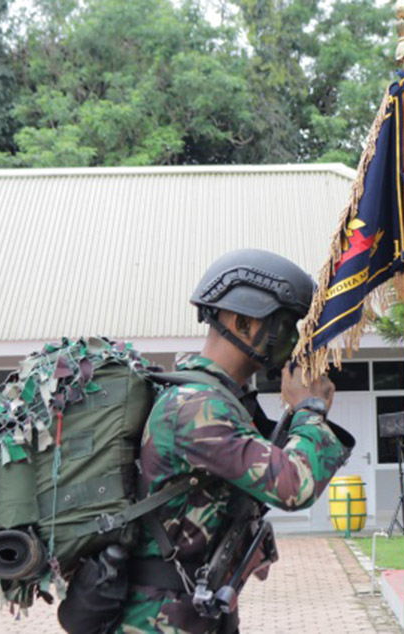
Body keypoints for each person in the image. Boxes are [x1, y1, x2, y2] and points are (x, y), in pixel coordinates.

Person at [119, 249, 355, 633]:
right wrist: (310, 410)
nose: (296, 343)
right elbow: (293, 485)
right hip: (159, 621)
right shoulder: (196, 407)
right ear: (242, 321)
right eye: (287, 325)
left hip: (194, 612)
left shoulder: (224, 401)